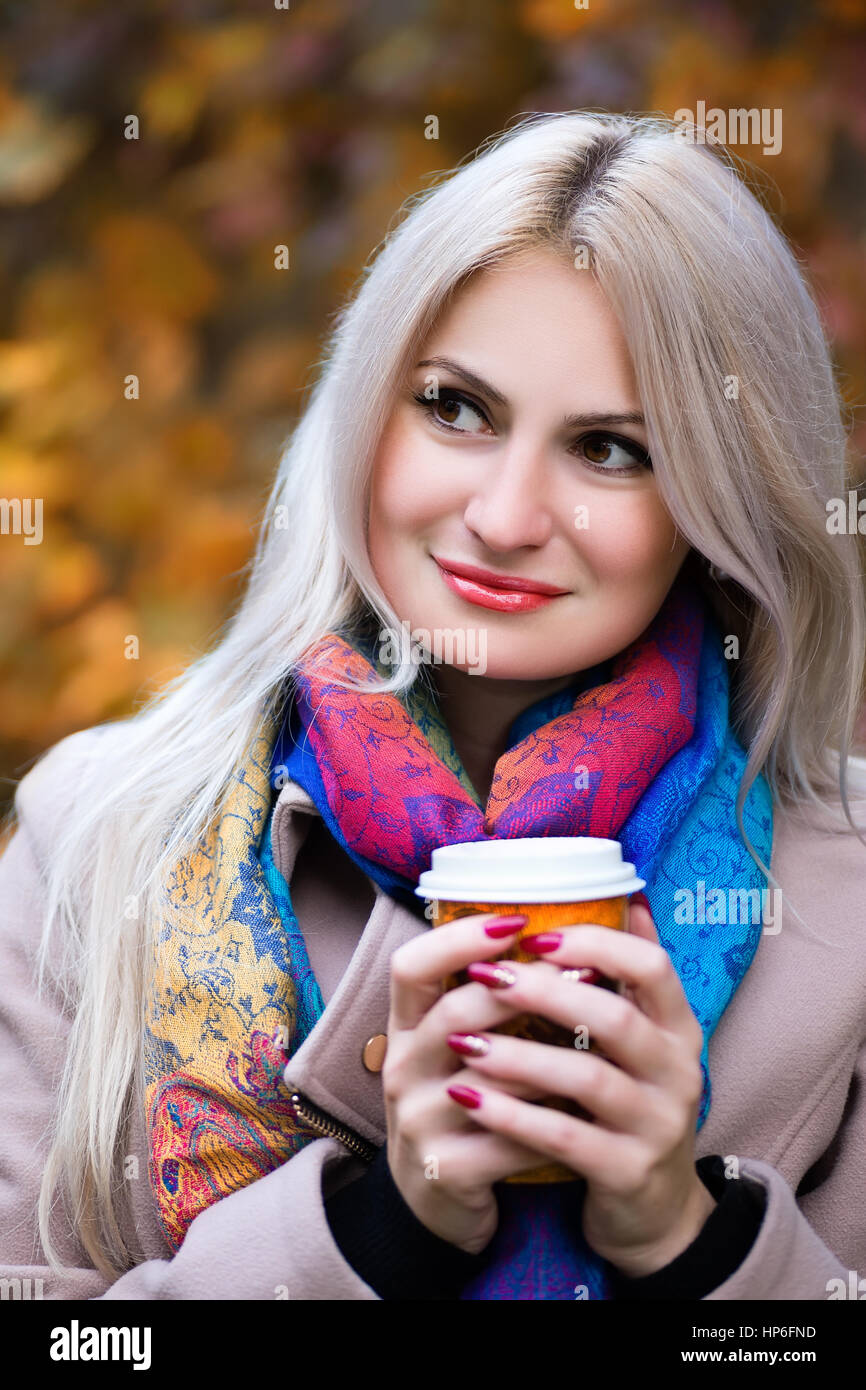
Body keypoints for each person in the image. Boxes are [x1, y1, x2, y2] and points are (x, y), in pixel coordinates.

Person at [2, 110, 866, 1302]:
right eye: (455, 407)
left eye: (611, 448)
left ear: (719, 500)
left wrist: (688, 1237)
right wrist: (367, 1238)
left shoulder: (849, 899)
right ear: (363, 414)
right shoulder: (95, 838)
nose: (506, 515)